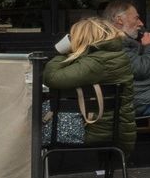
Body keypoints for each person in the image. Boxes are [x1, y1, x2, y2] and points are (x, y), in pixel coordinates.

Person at [42, 16, 137, 151]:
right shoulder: (112, 55)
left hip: (95, 131)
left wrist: (64, 51)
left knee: (32, 120)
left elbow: (51, 77)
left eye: (73, 37)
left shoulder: (96, 62)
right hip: (115, 128)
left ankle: (30, 168)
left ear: (83, 38)